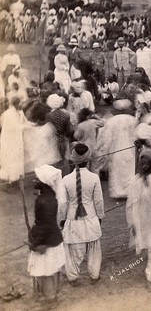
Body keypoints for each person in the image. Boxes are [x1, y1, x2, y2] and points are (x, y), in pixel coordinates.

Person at [59, 143, 104, 286]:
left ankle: (72, 277)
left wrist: (62, 219)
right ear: (88, 159)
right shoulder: (94, 178)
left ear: (73, 160)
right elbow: (99, 201)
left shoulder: (66, 180)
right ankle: (94, 275)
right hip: (90, 217)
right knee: (93, 248)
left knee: (72, 250)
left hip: (72, 220)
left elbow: (63, 204)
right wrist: (100, 216)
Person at [126, 146, 151, 291]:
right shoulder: (133, 181)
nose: (144, 166)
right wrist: (131, 223)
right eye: (142, 163)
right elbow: (130, 204)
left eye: (147, 163)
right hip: (140, 220)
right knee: (147, 244)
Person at [26, 165, 65, 307]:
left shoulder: (43, 200)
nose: (33, 180)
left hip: (46, 241)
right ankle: (53, 296)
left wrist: (35, 242)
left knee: (45, 272)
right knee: (52, 269)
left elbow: (45, 225)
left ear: (44, 181)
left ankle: (50, 299)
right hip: (53, 238)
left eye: (37, 178)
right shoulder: (49, 196)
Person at [95, 99, 137, 198]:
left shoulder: (111, 121)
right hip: (131, 151)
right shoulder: (133, 120)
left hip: (116, 151)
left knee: (117, 172)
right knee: (130, 171)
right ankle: (129, 192)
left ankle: (119, 193)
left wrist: (104, 152)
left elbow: (106, 138)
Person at [0, 96, 26, 185]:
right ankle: (8, 180)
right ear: (16, 103)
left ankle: (15, 178)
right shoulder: (8, 114)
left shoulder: (20, 112)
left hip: (17, 140)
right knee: (10, 159)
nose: (21, 104)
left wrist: (31, 125)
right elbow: (14, 127)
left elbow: (24, 123)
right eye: (20, 103)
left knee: (17, 159)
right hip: (9, 141)